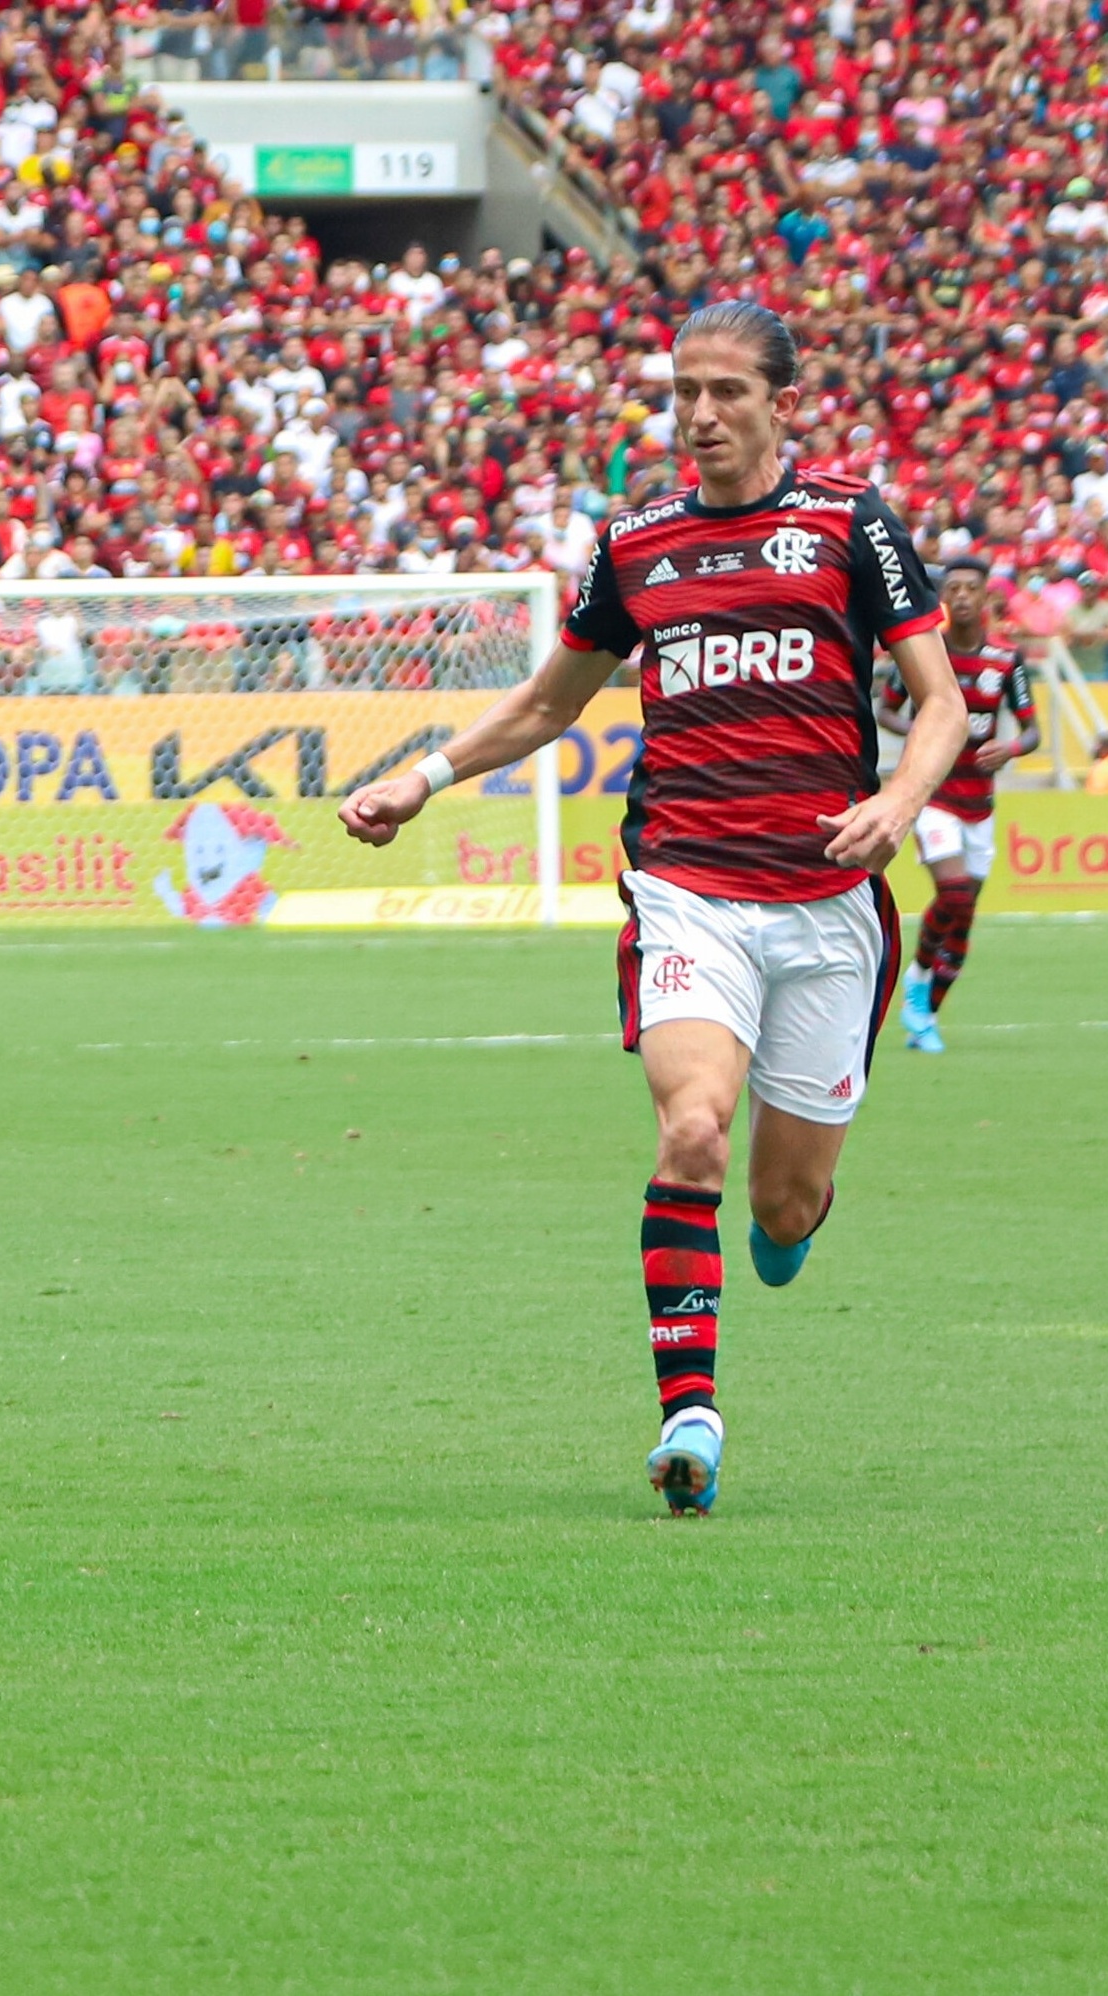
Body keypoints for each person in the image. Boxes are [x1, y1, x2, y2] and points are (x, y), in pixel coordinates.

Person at [338, 302, 966, 1516]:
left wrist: (895, 800)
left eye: (728, 390)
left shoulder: (848, 525)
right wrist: (419, 780)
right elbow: (542, 705)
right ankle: (690, 1413)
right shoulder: (634, 544)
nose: (700, 414)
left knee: (782, 1206)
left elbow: (935, 702)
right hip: (686, 890)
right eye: (684, 390)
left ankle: (789, 1226)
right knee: (691, 1128)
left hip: (830, 902)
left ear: (783, 402)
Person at [878, 555, 1037, 1051]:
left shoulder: (1006, 661)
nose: (962, 597)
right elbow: (886, 708)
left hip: (980, 804)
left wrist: (1009, 748)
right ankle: (920, 976)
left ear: (987, 597)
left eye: (972, 588)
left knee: (964, 916)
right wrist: (925, 730)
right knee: (956, 894)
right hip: (936, 794)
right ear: (943, 599)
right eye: (955, 589)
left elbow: (1032, 731)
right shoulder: (925, 656)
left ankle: (925, 1010)